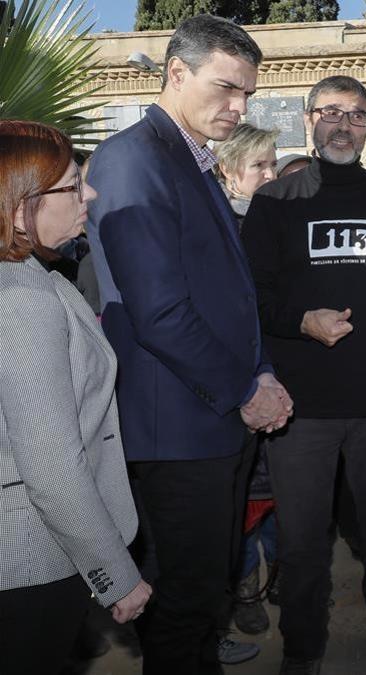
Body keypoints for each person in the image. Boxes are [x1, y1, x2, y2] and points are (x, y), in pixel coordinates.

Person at [85, 16, 291, 674]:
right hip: (175, 428)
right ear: (177, 73)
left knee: (205, 597)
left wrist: (259, 373)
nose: (240, 106)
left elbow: (230, 295)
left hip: (216, 422)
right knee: (183, 605)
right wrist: (244, 390)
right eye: (227, 89)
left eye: (249, 95)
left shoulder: (194, 159)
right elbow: (160, 311)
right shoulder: (133, 158)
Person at [240, 75, 366, 674]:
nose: (343, 126)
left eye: (357, 116)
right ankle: (302, 647)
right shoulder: (276, 202)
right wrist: (302, 321)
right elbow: (252, 299)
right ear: (309, 120)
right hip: (302, 408)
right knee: (304, 542)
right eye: (331, 113)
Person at [0, 120, 152, 675]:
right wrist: (115, 572)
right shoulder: (20, 300)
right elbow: (53, 467)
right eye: (72, 184)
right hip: (28, 560)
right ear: (20, 208)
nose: (88, 193)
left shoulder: (40, 279)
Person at [215, 121, 281, 637]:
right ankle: (245, 585)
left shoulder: (281, 221)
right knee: (242, 497)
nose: (271, 173)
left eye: (273, 162)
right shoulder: (217, 228)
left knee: (280, 485)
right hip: (238, 381)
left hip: (285, 374)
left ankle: (281, 573)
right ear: (229, 173)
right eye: (258, 165)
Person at [215, 123, 278, 226]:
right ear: (227, 170)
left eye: (274, 164)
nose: (270, 175)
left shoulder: (280, 209)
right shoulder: (215, 216)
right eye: (258, 165)